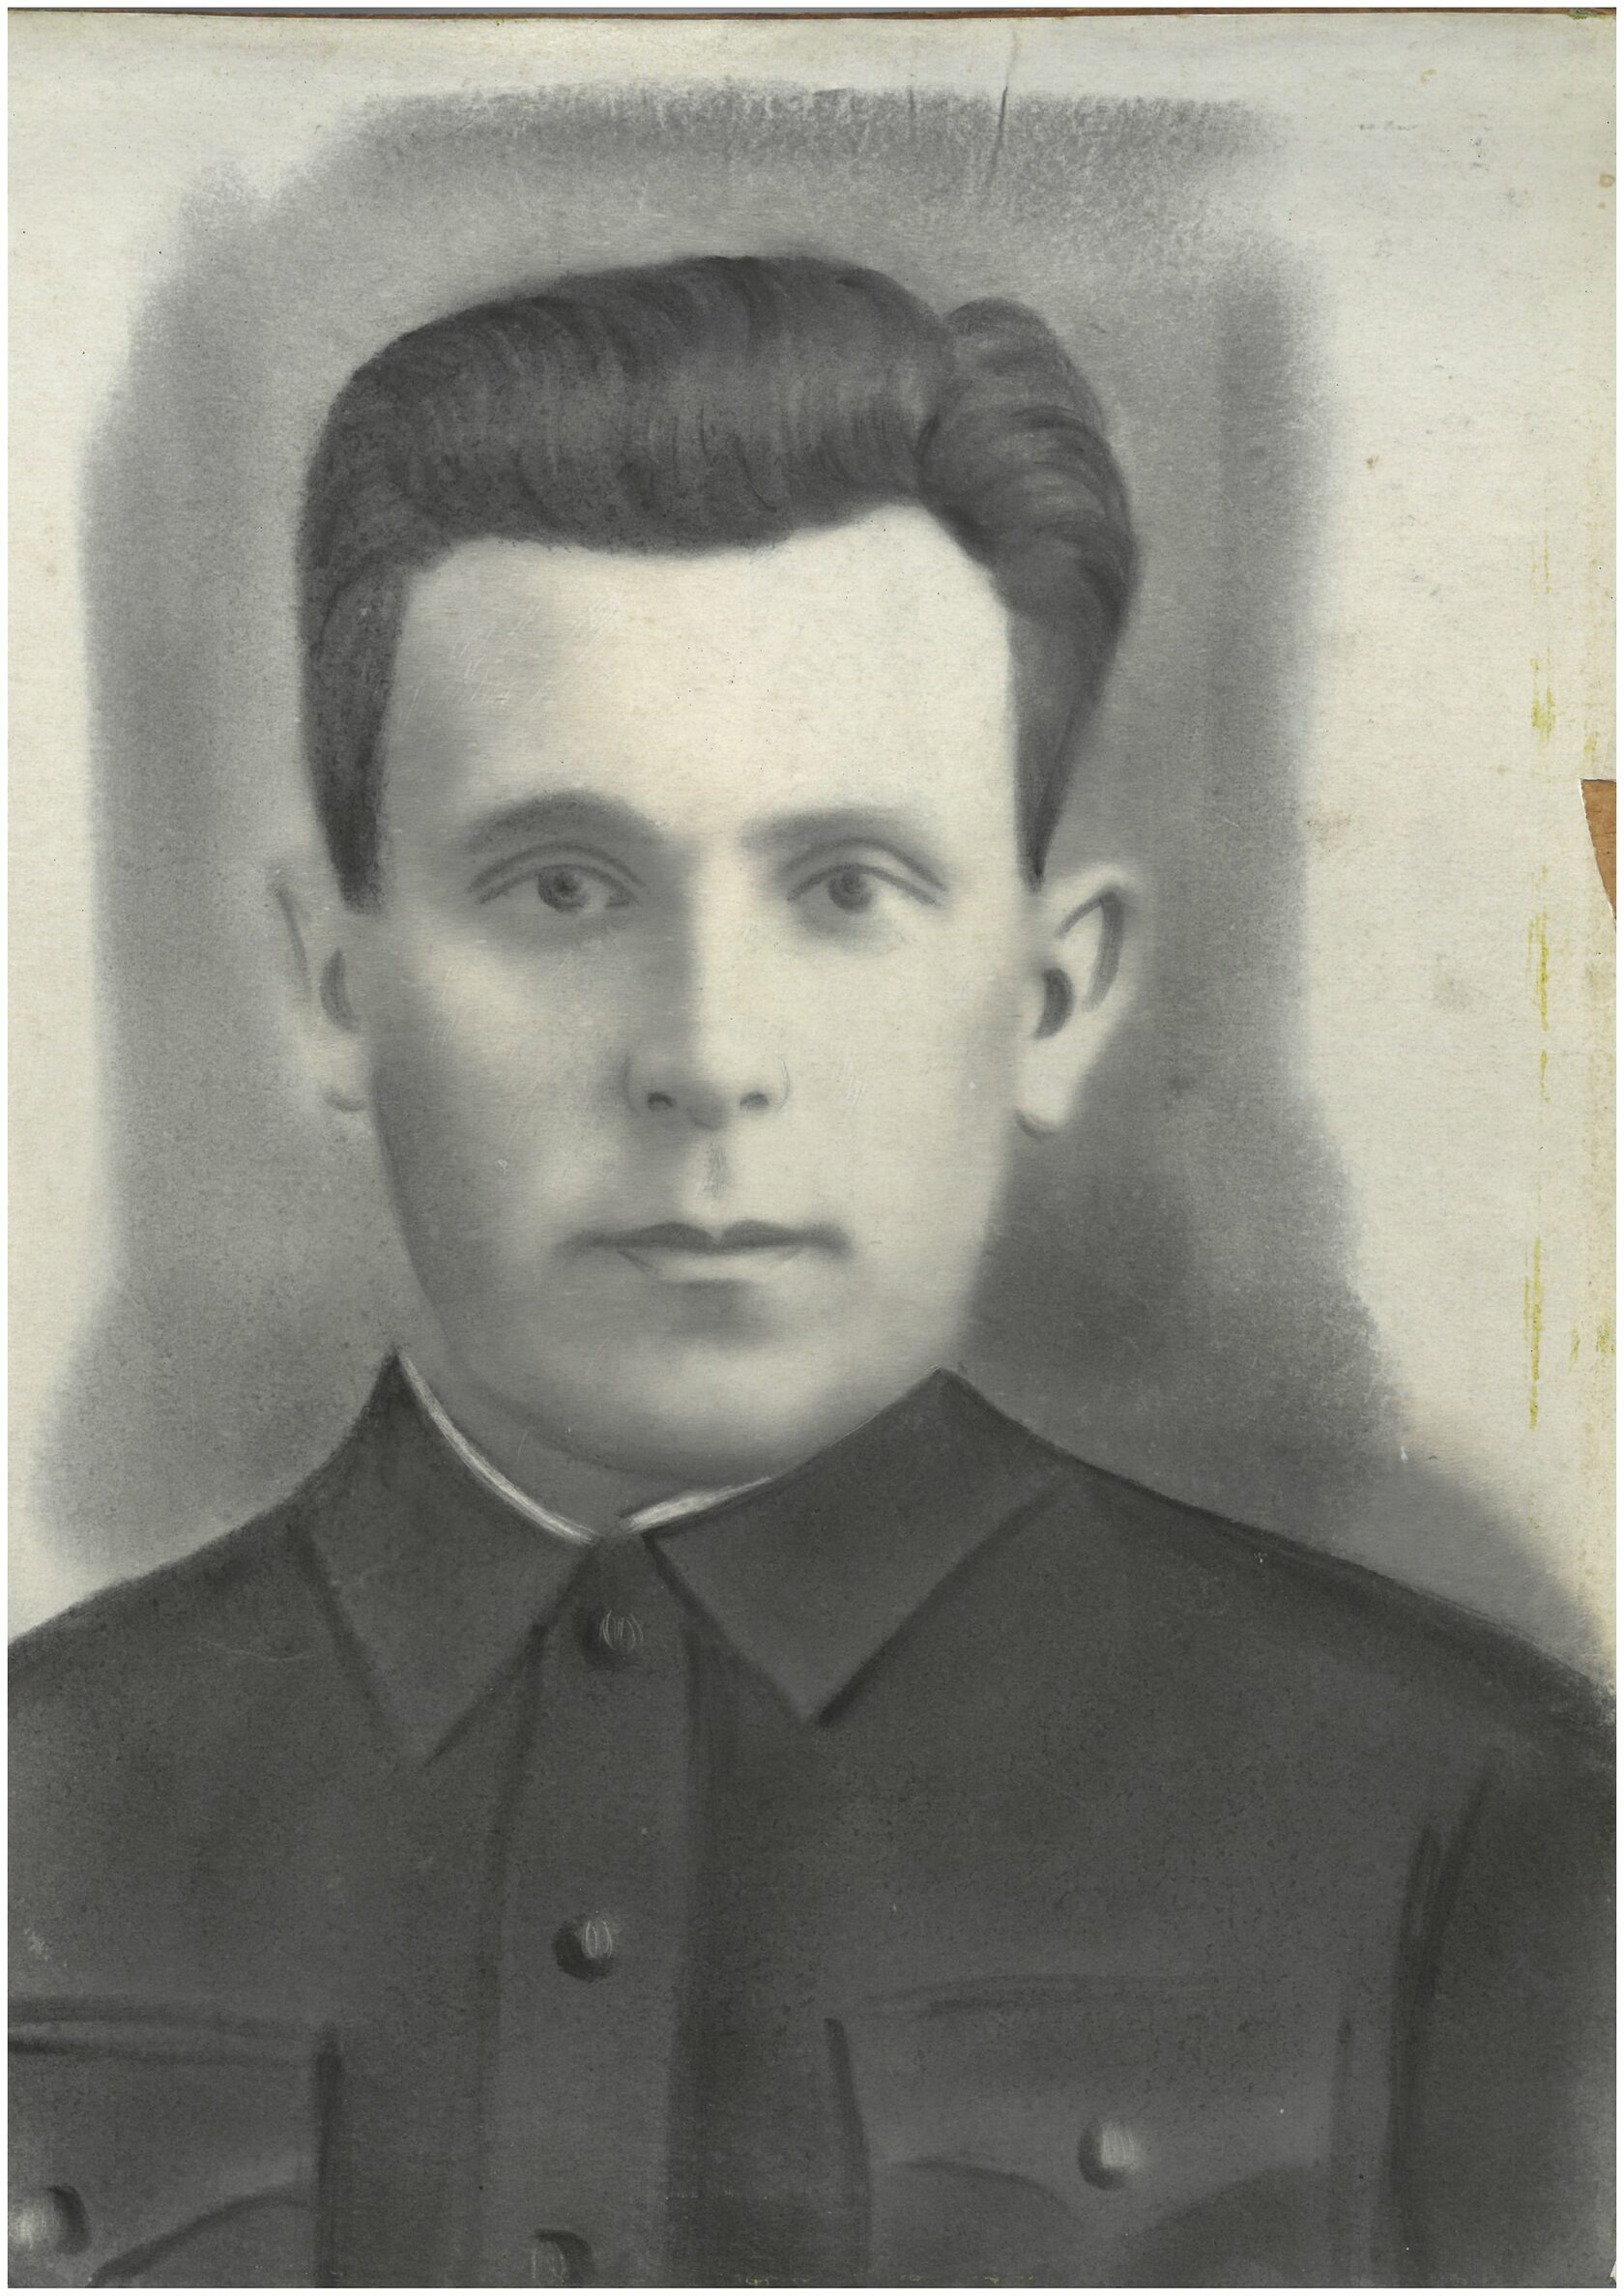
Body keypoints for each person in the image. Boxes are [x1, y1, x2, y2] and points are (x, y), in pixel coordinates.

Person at [10, 254, 1610, 2288]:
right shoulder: (33, 1785)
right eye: (562, 884)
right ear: (339, 990)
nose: (706, 1053)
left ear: (1051, 995)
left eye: (846, 887)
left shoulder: (1476, 1812)